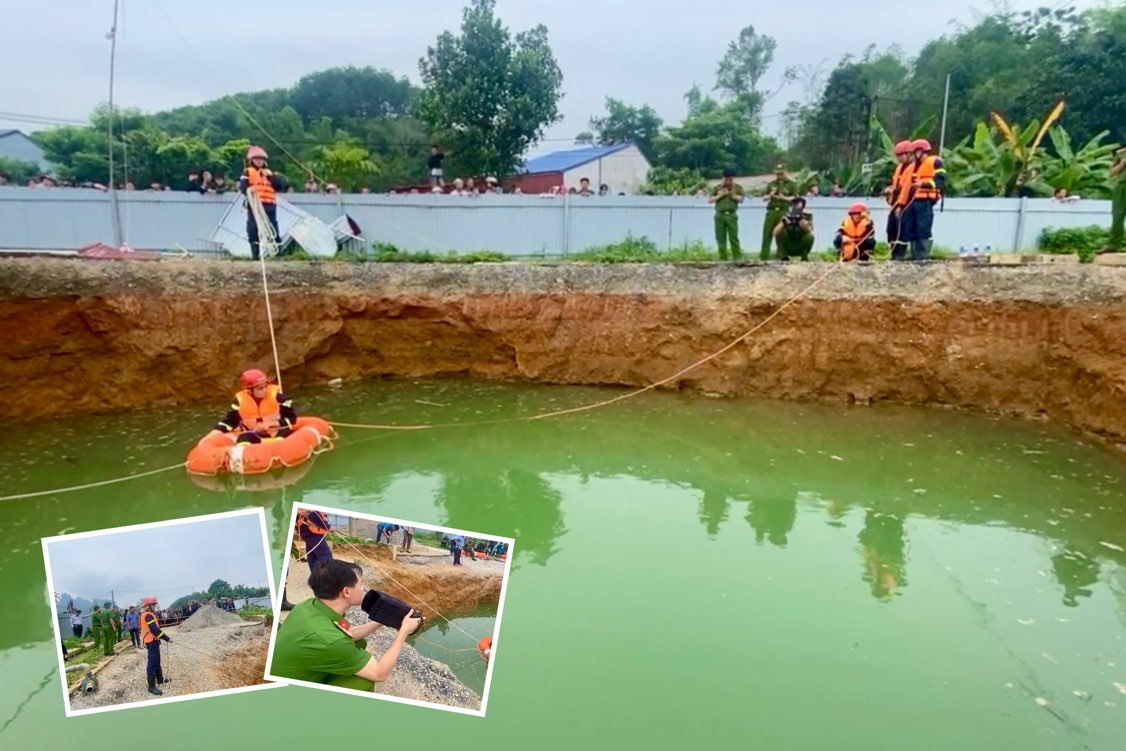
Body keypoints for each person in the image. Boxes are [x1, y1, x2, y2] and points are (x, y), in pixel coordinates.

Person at [269, 560, 421, 691]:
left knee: (357, 642)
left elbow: (346, 633)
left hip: (298, 670)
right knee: (363, 681)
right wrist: (403, 633)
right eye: (361, 584)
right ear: (346, 592)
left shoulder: (309, 605)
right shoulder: (331, 641)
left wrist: (380, 621)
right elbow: (380, 673)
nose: (363, 589)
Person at [211, 368, 297, 444]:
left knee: (282, 436)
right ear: (249, 391)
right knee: (243, 439)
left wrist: (273, 423)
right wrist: (217, 431)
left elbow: (292, 418)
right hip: (252, 433)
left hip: (276, 430)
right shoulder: (240, 400)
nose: (265, 390)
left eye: (266, 386)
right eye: (260, 388)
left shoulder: (278, 397)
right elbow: (231, 421)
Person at [238, 146, 285, 261]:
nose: (259, 161)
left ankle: (277, 252)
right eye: (256, 159)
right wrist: (251, 191)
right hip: (254, 205)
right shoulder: (248, 172)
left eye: (261, 159)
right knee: (253, 228)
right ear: (251, 160)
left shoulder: (270, 173)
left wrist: (271, 176)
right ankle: (255, 254)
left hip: (269, 204)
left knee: (272, 227)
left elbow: (279, 187)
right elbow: (243, 188)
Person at [902, 138, 946, 260]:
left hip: (926, 200)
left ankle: (923, 253)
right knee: (911, 227)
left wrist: (923, 184)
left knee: (923, 227)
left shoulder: (935, 162)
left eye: (914, 152)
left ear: (921, 151)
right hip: (913, 200)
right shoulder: (914, 166)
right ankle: (914, 253)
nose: (912, 156)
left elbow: (940, 180)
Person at [884, 140, 915, 260]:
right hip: (895, 203)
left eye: (901, 155)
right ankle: (893, 254)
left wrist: (900, 205)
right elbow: (897, 186)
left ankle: (900, 255)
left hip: (905, 205)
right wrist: (890, 191)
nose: (899, 158)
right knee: (891, 229)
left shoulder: (913, 168)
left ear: (909, 154)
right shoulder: (899, 168)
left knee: (902, 231)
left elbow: (907, 188)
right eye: (898, 156)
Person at [761, 164, 798, 260]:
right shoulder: (771, 184)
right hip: (772, 210)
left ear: (786, 172)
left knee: (781, 233)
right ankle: (764, 255)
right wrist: (770, 194)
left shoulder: (791, 184)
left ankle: (781, 255)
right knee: (767, 233)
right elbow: (764, 198)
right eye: (777, 174)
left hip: (783, 210)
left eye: (781, 173)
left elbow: (795, 198)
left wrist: (783, 198)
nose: (779, 176)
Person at [709, 168, 745, 260]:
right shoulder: (717, 188)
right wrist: (720, 195)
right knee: (720, 237)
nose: (728, 181)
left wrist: (733, 195)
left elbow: (741, 199)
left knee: (733, 237)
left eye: (730, 179)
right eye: (726, 179)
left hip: (731, 214)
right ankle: (723, 257)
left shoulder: (737, 187)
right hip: (720, 214)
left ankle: (737, 257)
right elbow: (710, 200)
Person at [139, 597, 171, 696]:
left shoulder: (150, 615)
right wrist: (167, 638)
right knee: (152, 663)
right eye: (153, 605)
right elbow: (155, 630)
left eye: (154, 604)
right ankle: (151, 687)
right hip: (151, 642)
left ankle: (160, 680)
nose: (154, 606)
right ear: (148, 606)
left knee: (157, 661)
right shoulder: (148, 615)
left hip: (154, 641)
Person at [773, 197, 815, 262]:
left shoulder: (807, 216)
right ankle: (783, 256)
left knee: (810, 236)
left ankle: (804, 257)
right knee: (780, 232)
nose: (796, 208)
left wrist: (804, 226)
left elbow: (810, 230)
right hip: (788, 244)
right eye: (794, 205)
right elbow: (775, 233)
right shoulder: (785, 215)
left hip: (800, 244)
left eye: (799, 207)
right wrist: (783, 223)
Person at [1107, 146, 1126, 252]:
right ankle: (1113, 245)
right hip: (1122, 186)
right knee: (1117, 216)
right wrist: (1123, 163)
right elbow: (1111, 173)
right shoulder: (1121, 153)